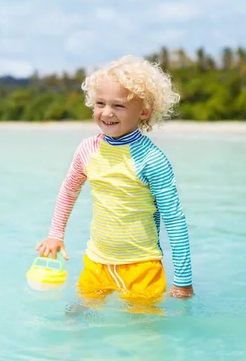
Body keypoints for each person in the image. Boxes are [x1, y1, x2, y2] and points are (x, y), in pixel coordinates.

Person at [36, 55, 193, 311]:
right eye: (100, 103)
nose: (106, 112)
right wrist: (55, 234)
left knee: (144, 332)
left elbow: (174, 220)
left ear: (144, 110)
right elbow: (68, 191)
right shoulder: (87, 149)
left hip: (142, 266)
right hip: (96, 263)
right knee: (75, 318)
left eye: (118, 106)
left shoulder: (152, 159)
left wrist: (183, 281)